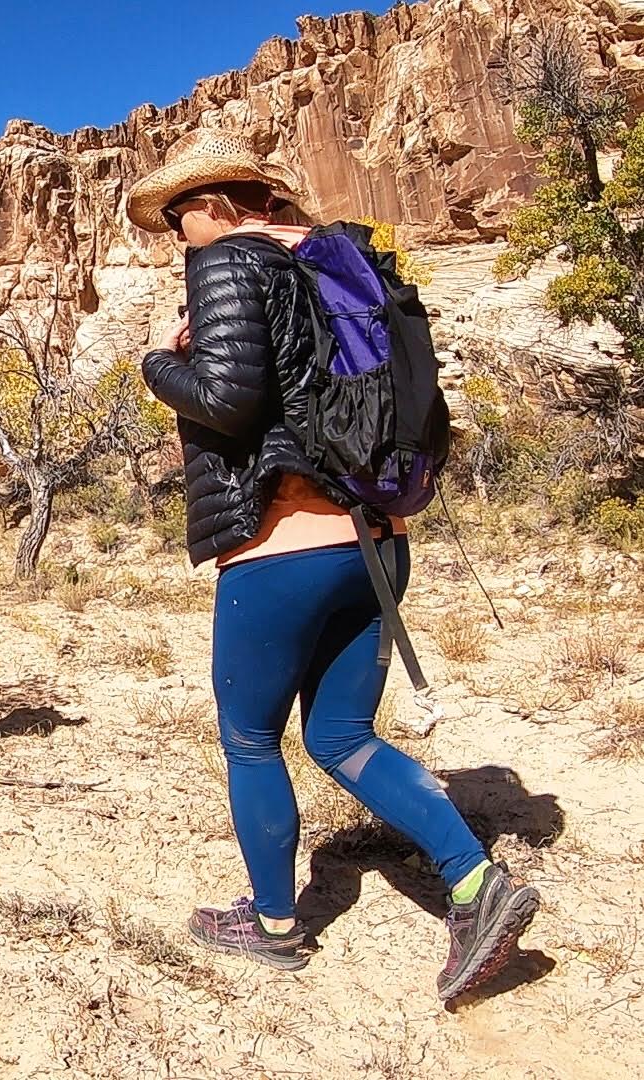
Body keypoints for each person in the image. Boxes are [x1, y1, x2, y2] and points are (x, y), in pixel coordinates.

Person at [127, 129, 541, 1001]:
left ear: (216, 203)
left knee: (248, 736)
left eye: (177, 216)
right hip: (375, 539)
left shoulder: (231, 263)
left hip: (282, 546)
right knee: (340, 735)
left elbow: (229, 405)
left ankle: (271, 923)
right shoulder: (332, 263)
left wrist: (158, 361)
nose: (174, 233)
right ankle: (475, 882)